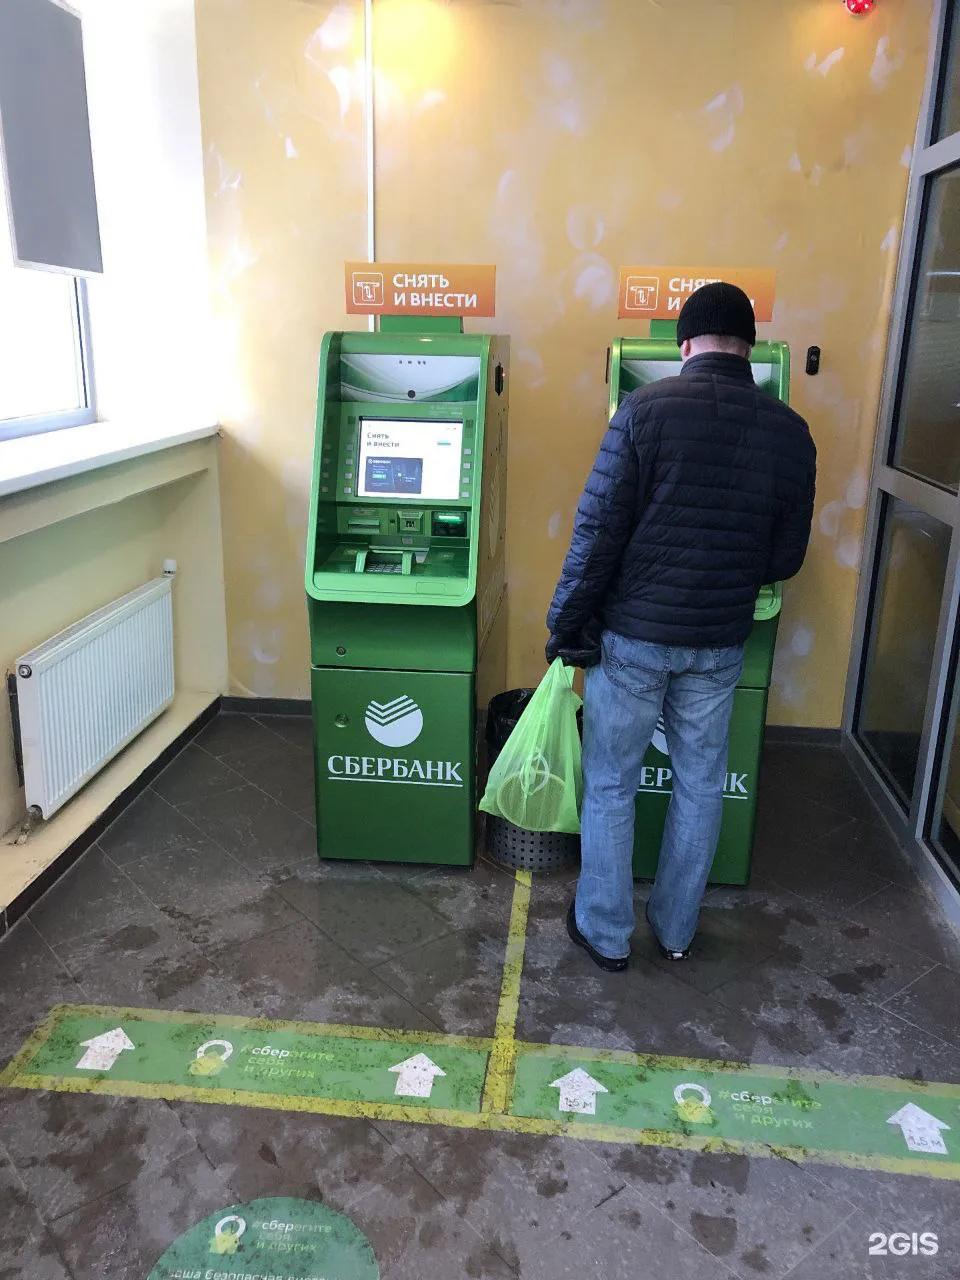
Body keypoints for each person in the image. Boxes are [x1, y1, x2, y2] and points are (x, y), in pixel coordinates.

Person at [546, 282, 816, 972]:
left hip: (633, 639)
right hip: (720, 642)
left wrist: (566, 623)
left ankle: (606, 935)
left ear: (685, 344)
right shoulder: (790, 431)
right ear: (749, 348)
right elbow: (785, 557)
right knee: (700, 783)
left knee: (612, 782)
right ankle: (675, 930)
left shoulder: (642, 409)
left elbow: (597, 534)